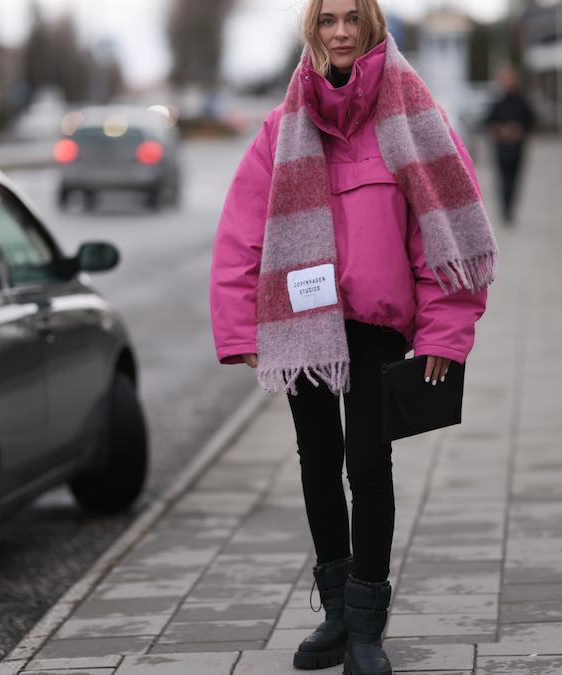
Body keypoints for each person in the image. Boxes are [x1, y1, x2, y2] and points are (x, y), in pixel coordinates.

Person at [208, 0, 496, 672]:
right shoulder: (281, 130)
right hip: (301, 325)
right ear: (314, 30)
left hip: (374, 326)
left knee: (367, 465)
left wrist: (443, 335)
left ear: (370, 25)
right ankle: (336, 614)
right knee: (316, 461)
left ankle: (368, 624)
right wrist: (238, 327)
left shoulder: (412, 120)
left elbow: (444, 235)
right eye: (328, 19)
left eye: (351, 18)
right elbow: (240, 239)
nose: (340, 31)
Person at [485, 68, 535, 225]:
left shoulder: (523, 102)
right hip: (501, 148)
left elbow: (531, 122)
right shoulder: (497, 103)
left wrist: (518, 130)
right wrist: (500, 131)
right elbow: (488, 123)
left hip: (517, 148)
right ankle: (504, 208)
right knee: (502, 179)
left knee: (514, 180)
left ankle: (510, 208)